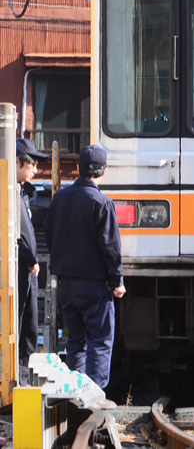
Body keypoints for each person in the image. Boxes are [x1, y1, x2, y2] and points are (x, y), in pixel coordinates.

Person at [45, 145, 126, 389]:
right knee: (100, 342)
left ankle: (75, 396)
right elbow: (111, 247)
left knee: (75, 342)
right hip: (95, 287)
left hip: (67, 285)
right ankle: (94, 398)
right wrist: (117, 281)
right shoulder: (102, 203)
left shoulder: (59, 199)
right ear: (104, 172)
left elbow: (50, 234)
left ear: (78, 169)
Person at [15, 138, 48, 385]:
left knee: (29, 325)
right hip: (16, 271)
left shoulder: (21, 191)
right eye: (32, 164)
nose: (35, 170)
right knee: (19, 324)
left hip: (26, 271)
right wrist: (27, 256)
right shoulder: (7, 191)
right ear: (17, 162)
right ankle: (16, 378)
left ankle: (24, 377)